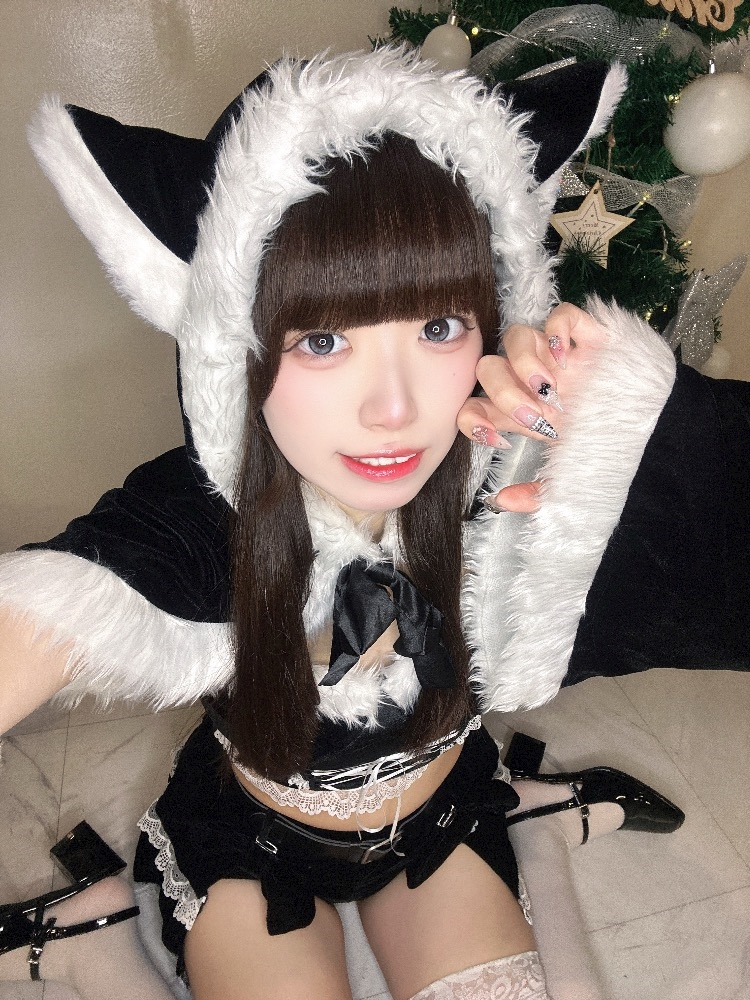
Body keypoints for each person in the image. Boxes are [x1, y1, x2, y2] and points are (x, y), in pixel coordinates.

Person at [0, 46, 747, 1000]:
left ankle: (525, 820)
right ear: (234, 349)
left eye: (439, 328)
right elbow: (52, 609)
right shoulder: (200, 517)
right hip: (258, 841)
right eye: (322, 340)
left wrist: (646, 437)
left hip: (439, 819)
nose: (394, 409)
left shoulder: (524, 479)